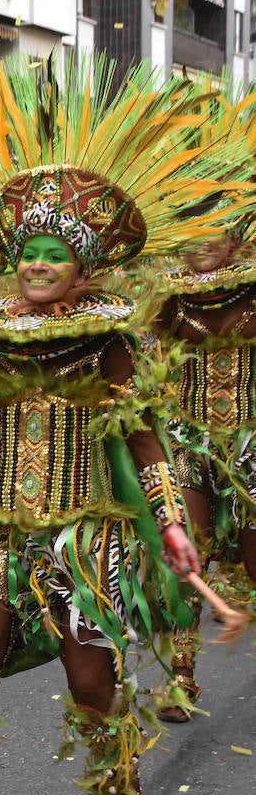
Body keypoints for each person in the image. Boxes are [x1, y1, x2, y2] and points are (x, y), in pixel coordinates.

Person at [0, 56, 236, 795]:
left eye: (55, 253)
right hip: (2, 537)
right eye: (29, 252)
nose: (38, 263)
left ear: (83, 268)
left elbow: (145, 442)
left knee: (92, 688)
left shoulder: (110, 345)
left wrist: (172, 522)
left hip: (86, 541)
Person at [150, 213, 256, 722]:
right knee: (190, 550)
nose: (199, 246)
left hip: (252, 444)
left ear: (235, 238)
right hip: (186, 440)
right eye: (188, 237)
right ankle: (182, 676)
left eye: (210, 233)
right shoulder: (168, 299)